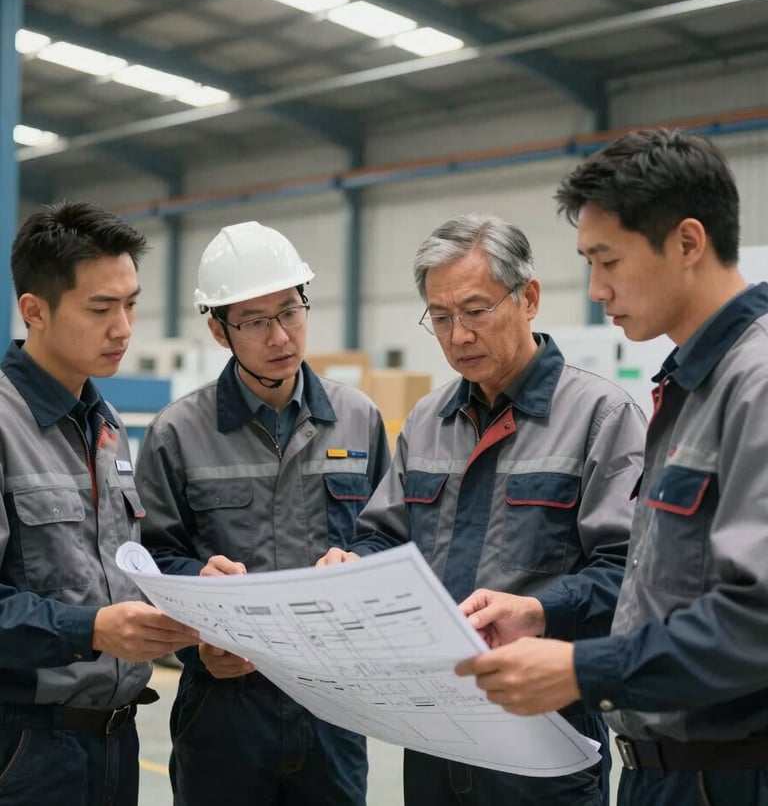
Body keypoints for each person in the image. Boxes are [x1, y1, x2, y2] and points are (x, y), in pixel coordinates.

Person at [455, 128, 768, 806]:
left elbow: (757, 619)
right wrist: (542, 614)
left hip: (730, 776)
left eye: (609, 261)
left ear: (688, 243)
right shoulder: (687, 386)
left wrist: (580, 667)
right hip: (659, 770)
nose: (596, 288)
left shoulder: (757, 383)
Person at [317, 213, 647, 806]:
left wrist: (541, 609)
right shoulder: (427, 419)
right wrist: (353, 567)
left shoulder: (601, 416)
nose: (458, 336)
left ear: (530, 299)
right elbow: (388, 538)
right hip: (435, 735)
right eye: (440, 318)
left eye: (476, 310)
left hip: (545, 736)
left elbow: (630, 573)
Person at [136, 220, 391, 806]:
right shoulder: (178, 432)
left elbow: (390, 537)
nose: (280, 335)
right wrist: (196, 627)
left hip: (333, 704)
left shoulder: (358, 418)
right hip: (222, 707)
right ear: (218, 330)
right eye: (254, 320)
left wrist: (357, 562)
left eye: (291, 310)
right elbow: (150, 561)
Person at [0, 201, 200, 806]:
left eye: (131, 303)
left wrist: (195, 598)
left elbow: (111, 573)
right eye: (100, 308)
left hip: (116, 746)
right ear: (34, 310)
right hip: (26, 753)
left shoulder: (104, 423)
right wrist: (90, 630)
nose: (124, 327)